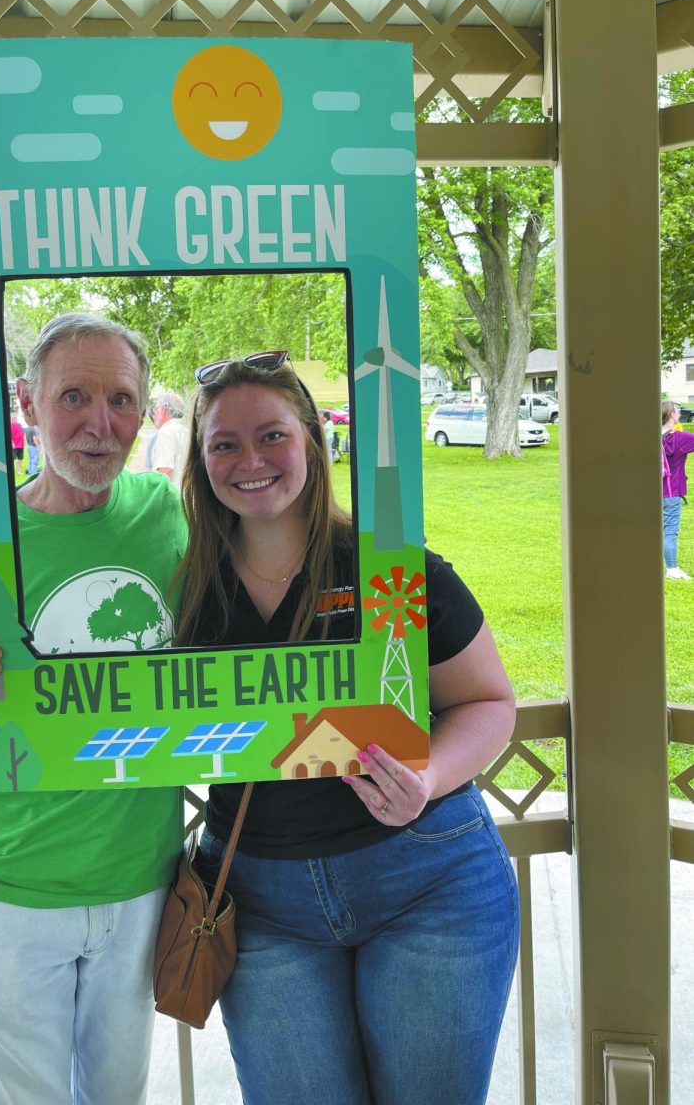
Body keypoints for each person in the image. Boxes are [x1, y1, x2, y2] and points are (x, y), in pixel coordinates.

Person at [175, 351, 519, 1105]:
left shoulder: (389, 570)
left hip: (428, 881)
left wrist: (426, 776)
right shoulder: (181, 595)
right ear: (200, 464)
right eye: (223, 445)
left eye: (271, 435)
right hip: (260, 902)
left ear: (311, 441)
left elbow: (490, 703)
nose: (250, 460)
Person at [0, 314, 186, 1105]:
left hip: (142, 879)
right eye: (74, 397)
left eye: (122, 400)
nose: (102, 426)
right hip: (7, 888)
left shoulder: (164, 512)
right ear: (26, 404)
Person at [662, 399, 694, 580]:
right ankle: (672, 569)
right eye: (678, 411)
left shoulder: (651, 437)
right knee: (670, 531)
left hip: (652, 493)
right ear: (671, 415)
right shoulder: (678, 438)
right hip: (671, 492)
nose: (680, 413)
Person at [149, 387, 189, 489]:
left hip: (171, 498)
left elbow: (165, 470)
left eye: (156, 409)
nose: (154, 413)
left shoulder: (166, 432)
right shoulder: (185, 431)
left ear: (163, 409)